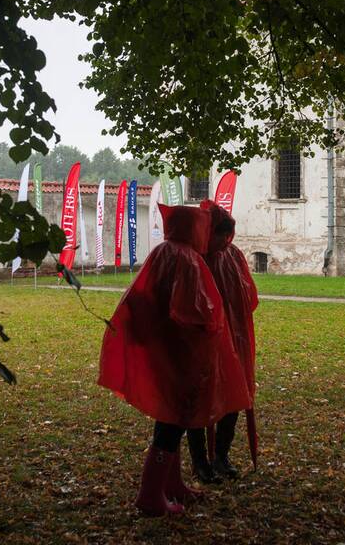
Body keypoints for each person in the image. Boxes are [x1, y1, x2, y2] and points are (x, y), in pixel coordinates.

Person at [98, 204, 251, 516]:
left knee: (171, 420)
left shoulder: (163, 252)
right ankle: (151, 494)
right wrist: (213, 327)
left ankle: (172, 485)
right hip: (181, 357)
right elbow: (191, 312)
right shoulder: (185, 259)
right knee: (171, 424)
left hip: (165, 353)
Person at [185, 201, 258, 483]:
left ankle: (221, 456)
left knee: (234, 396)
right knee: (201, 400)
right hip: (205, 341)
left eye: (227, 235)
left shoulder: (233, 255)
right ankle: (200, 461)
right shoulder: (195, 258)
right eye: (219, 234)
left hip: (235, 338)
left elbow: (249, 296)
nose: (223, 240)